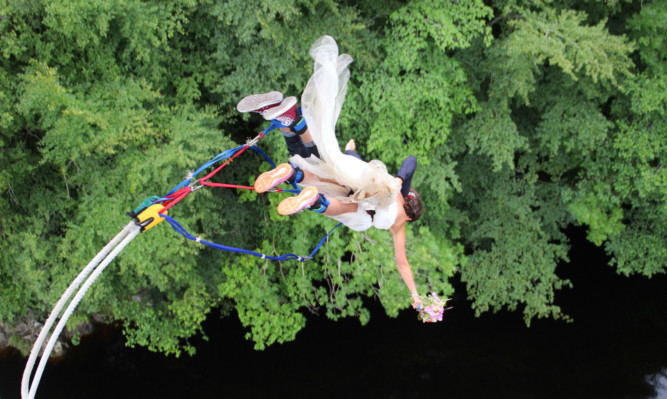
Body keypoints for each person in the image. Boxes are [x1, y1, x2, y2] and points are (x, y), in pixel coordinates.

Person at [237, 36, 424, 309]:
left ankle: (290, 122)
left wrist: (392, 178)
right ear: (410, 215)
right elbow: (402, 263)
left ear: (410, 198)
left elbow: (410, 161)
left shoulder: (396, 189)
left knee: (322, 157)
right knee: (328, 195)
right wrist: (415, 295)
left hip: (360, 182)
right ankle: (302, 187)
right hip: (363, 207)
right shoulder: (398, 225)